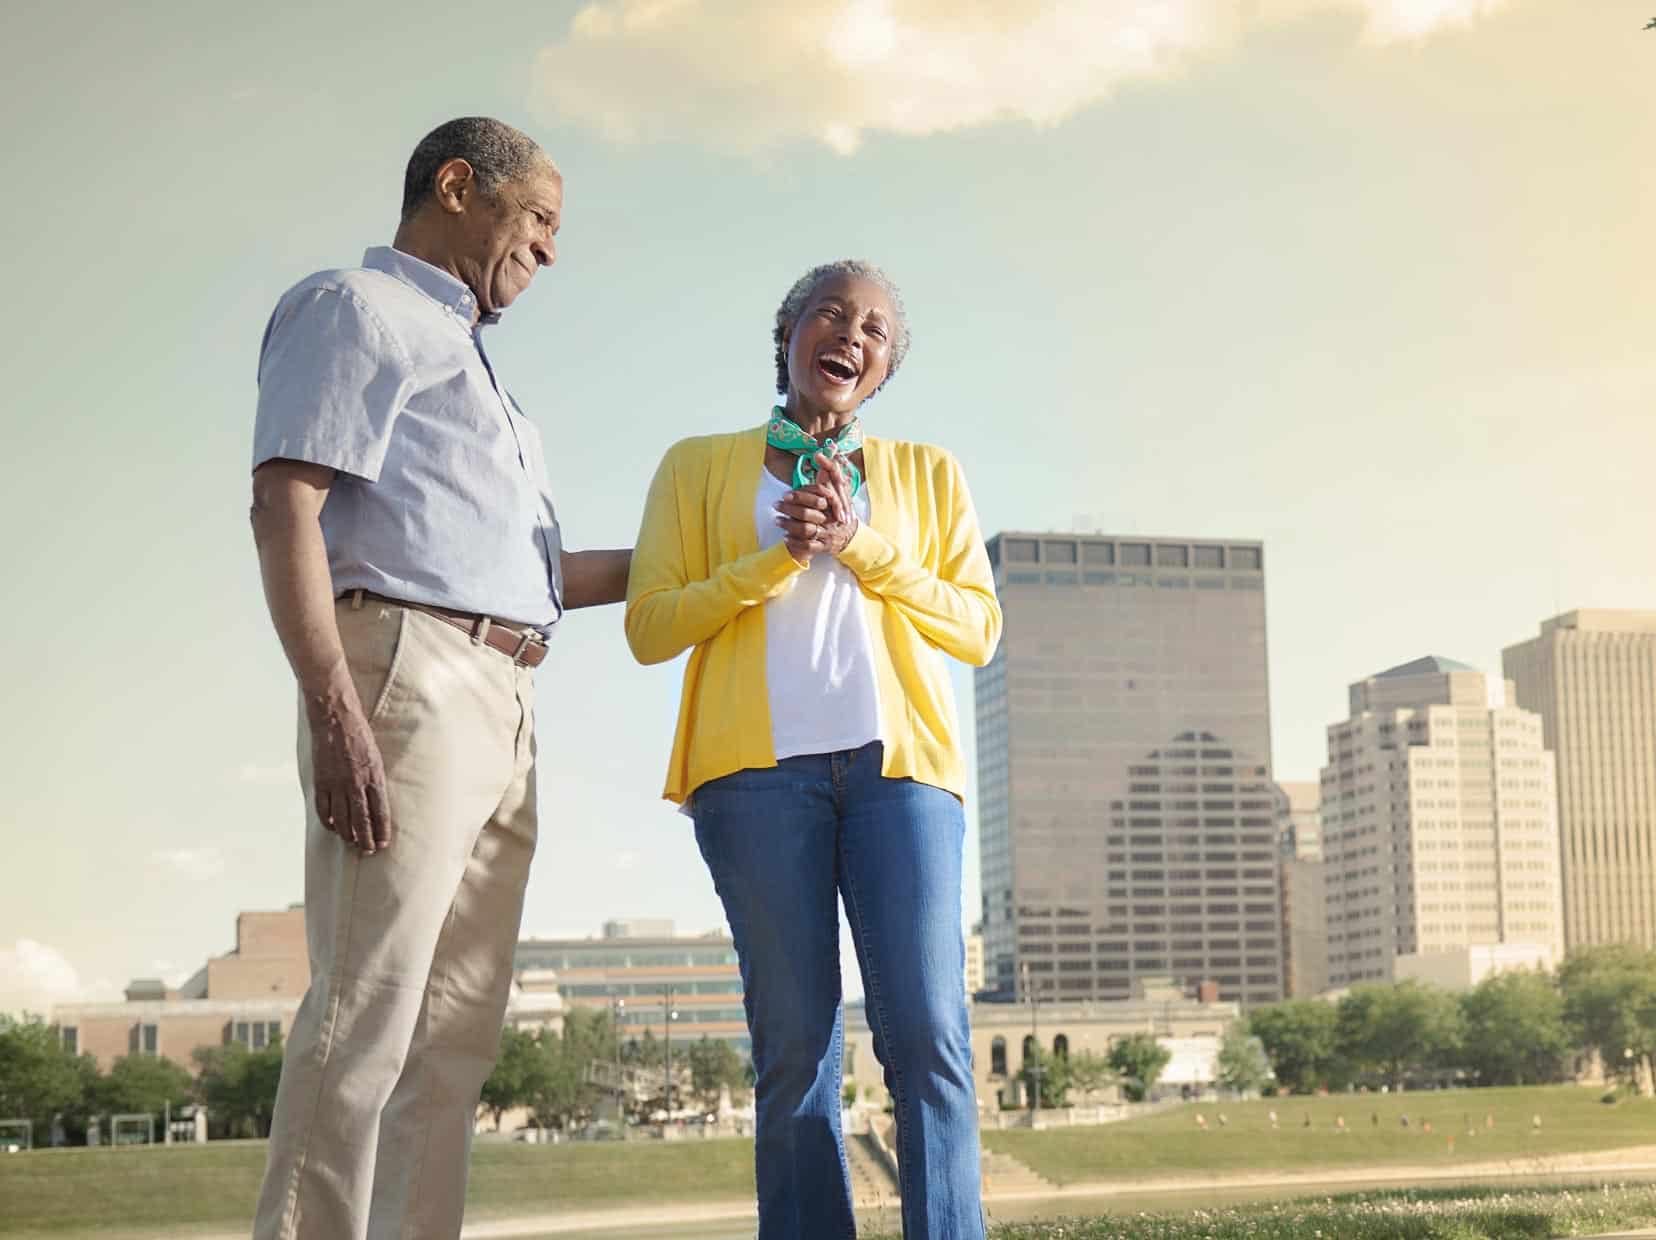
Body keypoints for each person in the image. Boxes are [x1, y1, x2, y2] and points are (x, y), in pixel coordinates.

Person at [248, 117, 629, 1240]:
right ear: (459, 186)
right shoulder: (357, 309)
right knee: (366, 1010)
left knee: (453, 1036)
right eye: (541, 218)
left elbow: (548, 579)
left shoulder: (493, 389)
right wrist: (336, 711)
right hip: (407, 674)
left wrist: (733, 552)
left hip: (508, 696)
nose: (551, 249)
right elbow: (286, 504)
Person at [625, 260, 1001, 1239]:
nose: (852, 334)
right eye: (831, 314)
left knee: (930, 1037)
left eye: (875, 330)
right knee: (794, 1051)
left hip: (900, 779)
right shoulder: (696, 466)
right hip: (753, 781)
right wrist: (778, 558)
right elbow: (650, 626)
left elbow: (976, 628)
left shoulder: (929, 472)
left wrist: (859, 542)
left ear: (884, 369)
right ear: (788, 332)